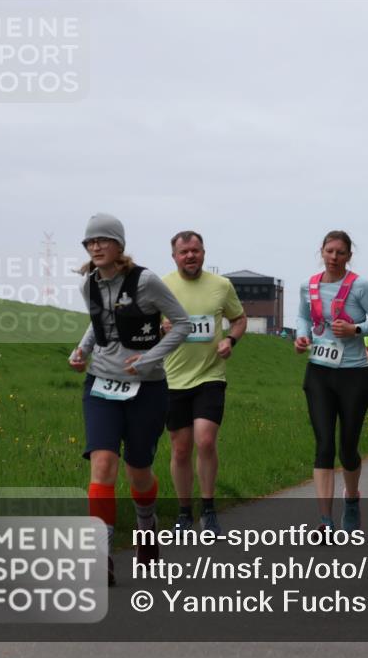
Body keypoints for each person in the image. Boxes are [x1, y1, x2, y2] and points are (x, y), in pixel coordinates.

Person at [68, 213, 191, 585]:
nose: (96, 247)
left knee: (138, 470)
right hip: (101, 384)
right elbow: (99, 321)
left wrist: (150, 357)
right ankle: (101, 554)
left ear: (119, 245)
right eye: (90, 242)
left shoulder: (146, 281)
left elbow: (181, 324)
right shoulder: (88, 284)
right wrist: (82, 350)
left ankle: (145, 524)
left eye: (103, 240)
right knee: (103, 463)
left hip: (147, 388)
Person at [294, 231, 368, 534]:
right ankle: (324, 520)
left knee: (347, 448)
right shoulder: (308, 286)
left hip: (354, 374)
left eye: (340, 253)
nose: (334, 257)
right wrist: (301, 336)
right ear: (321, 251)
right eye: (330, 251)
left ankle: (352, 500)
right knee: (324, 445)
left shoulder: (359, 286)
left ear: (349, 256)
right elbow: (303, 317)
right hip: (319, 372)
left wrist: (356, 329)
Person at [161, 231, 246, 534]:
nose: (190, 256)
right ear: (174, 256)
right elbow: (145, 327)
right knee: (180, 449)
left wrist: (231, 341)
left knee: (205, 440)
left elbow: (239, 319)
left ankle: (209, 509)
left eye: (195, 250)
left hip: (210, 375)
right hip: (173, 378)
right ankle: (185, 513)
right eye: (184, 252)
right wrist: (161, 327)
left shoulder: (221, 286)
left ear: (204, 253)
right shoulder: (163, 286)